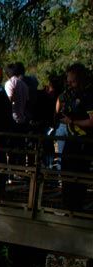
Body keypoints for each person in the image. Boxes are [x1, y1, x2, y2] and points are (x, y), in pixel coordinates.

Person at [56, 62, 93, 211]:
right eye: (68, 81)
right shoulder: (70, 95)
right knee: (66, 175)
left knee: (77, 179)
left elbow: (91, 121)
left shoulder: (89, 95)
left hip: (83, 143)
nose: (70, 85)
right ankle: (68, 206)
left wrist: (73, 121)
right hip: (71, 141)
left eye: (73, 81)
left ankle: (75, 208)